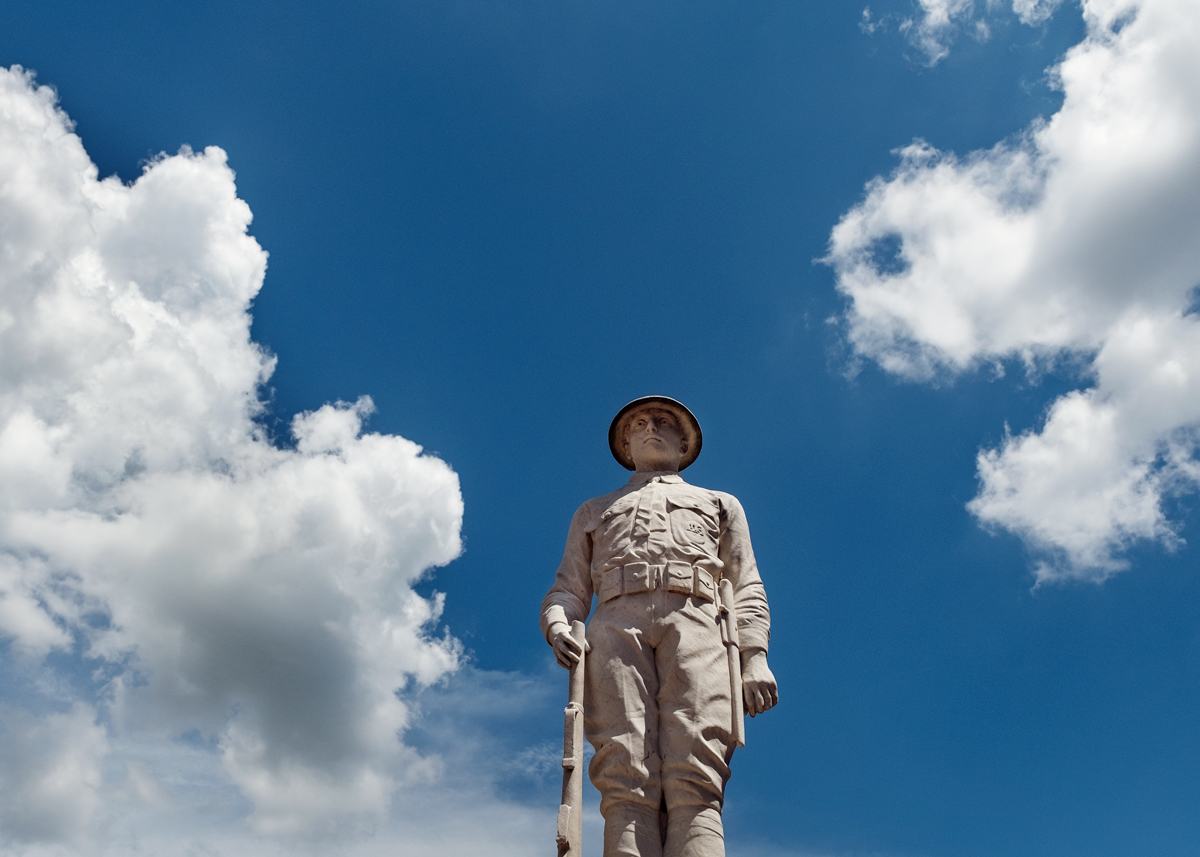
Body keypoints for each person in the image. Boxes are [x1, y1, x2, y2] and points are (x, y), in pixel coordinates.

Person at [541, 396, 778, 857]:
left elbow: (746, 582)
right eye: (641, 423)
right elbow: (567, 588)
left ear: (684, 441)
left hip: (698, 625)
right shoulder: (594, 510)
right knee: (624, 769)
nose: (652, 426)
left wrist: (755, 658)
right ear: (626, 444)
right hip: (614, 627)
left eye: (665, 421)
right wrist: (558, 623)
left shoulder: (718, 503)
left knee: (698, 766)